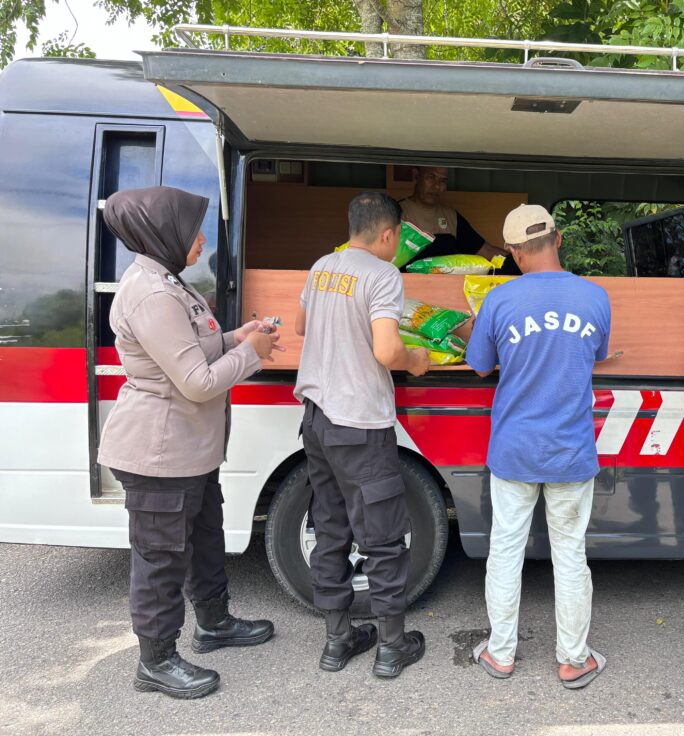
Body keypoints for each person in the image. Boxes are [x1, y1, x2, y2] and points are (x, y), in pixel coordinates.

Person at [97, 186, 281, 700]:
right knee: (160, 558)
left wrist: (236, 337)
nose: (201, 239)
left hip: (190, 450)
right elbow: (197, 381)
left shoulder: (169, 282)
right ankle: (155, 661)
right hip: (160, 453)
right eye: (193, 229)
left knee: (204, 538)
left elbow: (189, 347)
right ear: (165, 233)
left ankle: (214, 623)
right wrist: (253, 353)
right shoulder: (153, 295)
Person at [466, 204, 611, 689]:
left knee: (506, 550)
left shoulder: (499, 300)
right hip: (570, 450)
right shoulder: (595, 298)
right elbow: (597, 353)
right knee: (570, 555)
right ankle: (573, 659)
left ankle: (501, 653)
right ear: (559, 238)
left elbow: (480, 365)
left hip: (515, 449)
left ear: (512, 251)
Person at [294, 191, 431, 679]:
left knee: (330, 528)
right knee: (382, 537)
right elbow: (387, 350)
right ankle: (392, 647)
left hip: (317, 421)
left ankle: (338, 641)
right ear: (389, 234)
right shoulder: (383, 275)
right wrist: (416, 359)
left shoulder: (321, 267)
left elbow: (301, 325)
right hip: (360, 425)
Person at [398, 166, 514, 269]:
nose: (437, 186)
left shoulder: (451, 217)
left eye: (443, 181)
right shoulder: (397, 213)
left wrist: (517, 259)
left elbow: (485, 251)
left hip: (447, 286)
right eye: (431, 177)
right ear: (416, 176)